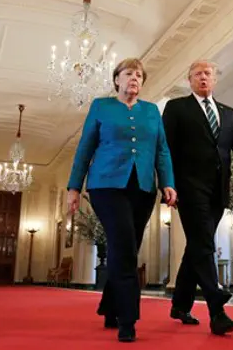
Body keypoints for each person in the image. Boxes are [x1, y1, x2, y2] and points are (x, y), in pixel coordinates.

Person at [67, 58, 177, 343]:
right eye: (129, 74)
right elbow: (85, 147)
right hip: (106, 186)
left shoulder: (152, 111)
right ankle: (128, 319)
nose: (134, 79)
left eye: (139, 75)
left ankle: (109, 307)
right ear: (116, 80)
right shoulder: (101, 107)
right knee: (124, 245)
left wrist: (167, 183)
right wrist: (74, 187)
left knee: (125, 247)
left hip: (142, 188)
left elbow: (161, 150)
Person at [162, 60, 233, 335]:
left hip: (218, 189)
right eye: (197, 74)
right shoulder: (176, 108)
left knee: (198, 243)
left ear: (215, 79)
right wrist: (166, 184)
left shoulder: (228, 113)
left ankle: (180, 305)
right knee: (204, 243)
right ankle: (216, 307)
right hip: (188, 187)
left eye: (207, 74)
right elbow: (166, 149)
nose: (203, 78)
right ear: (189, 80)